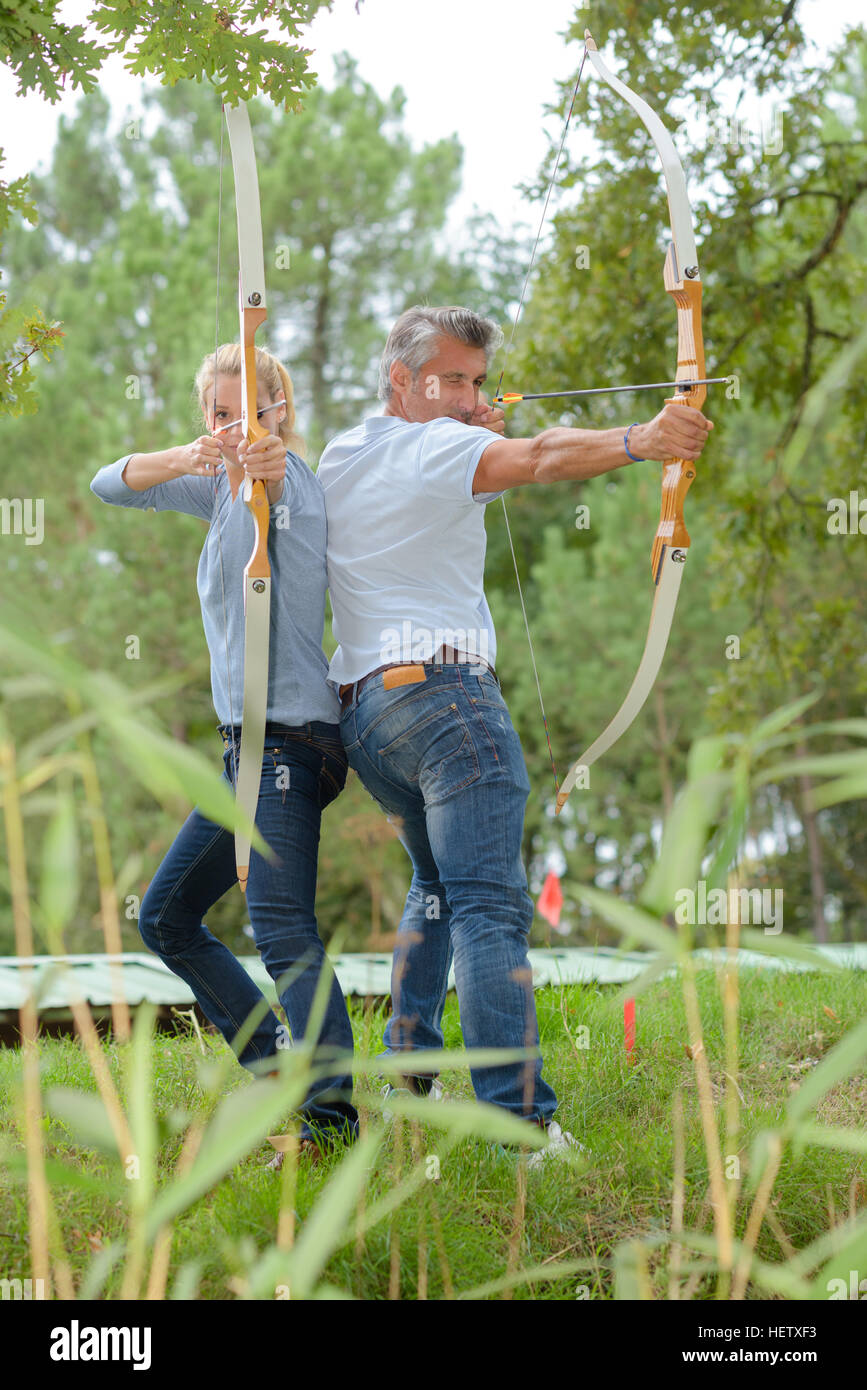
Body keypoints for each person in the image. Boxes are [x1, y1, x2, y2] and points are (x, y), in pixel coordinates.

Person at [317, 305, 713, 1161]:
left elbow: (450, 480)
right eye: (450, 379)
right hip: (449, 704)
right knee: (490, 908)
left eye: (476, 381)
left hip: (368, 716)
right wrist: (642, 439)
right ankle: (519, 1124)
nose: (469, 396)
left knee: (435, 885)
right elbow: (537, 456)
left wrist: (465, 432)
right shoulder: (443, 448)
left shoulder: (343, 453)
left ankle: (408, 1070)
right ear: (400, 380)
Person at [90, 344, 358, 1160]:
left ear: (279, 410)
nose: (235, 426)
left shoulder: (293, 484)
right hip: (245, 748)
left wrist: (262, 457)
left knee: (280, 929)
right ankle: (277, 1068)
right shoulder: (213, 488)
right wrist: (192, 452)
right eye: (219, 413)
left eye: (251, 410)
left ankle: (333, 1122)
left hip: (290, 740)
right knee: (167, 916)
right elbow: (108, 484)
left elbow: (274, 476)